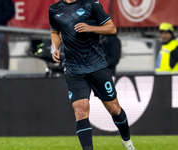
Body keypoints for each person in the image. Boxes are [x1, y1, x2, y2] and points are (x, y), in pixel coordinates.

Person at [49, 0, 136, 150]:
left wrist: (91, 28)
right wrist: (55, 47)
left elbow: (112, 28)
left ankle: (127, 142)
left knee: (114, 109)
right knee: (80, 111)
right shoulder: (54, 9)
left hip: (97, 66)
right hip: (73, 68)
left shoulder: (91, 4)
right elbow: (55, 32)